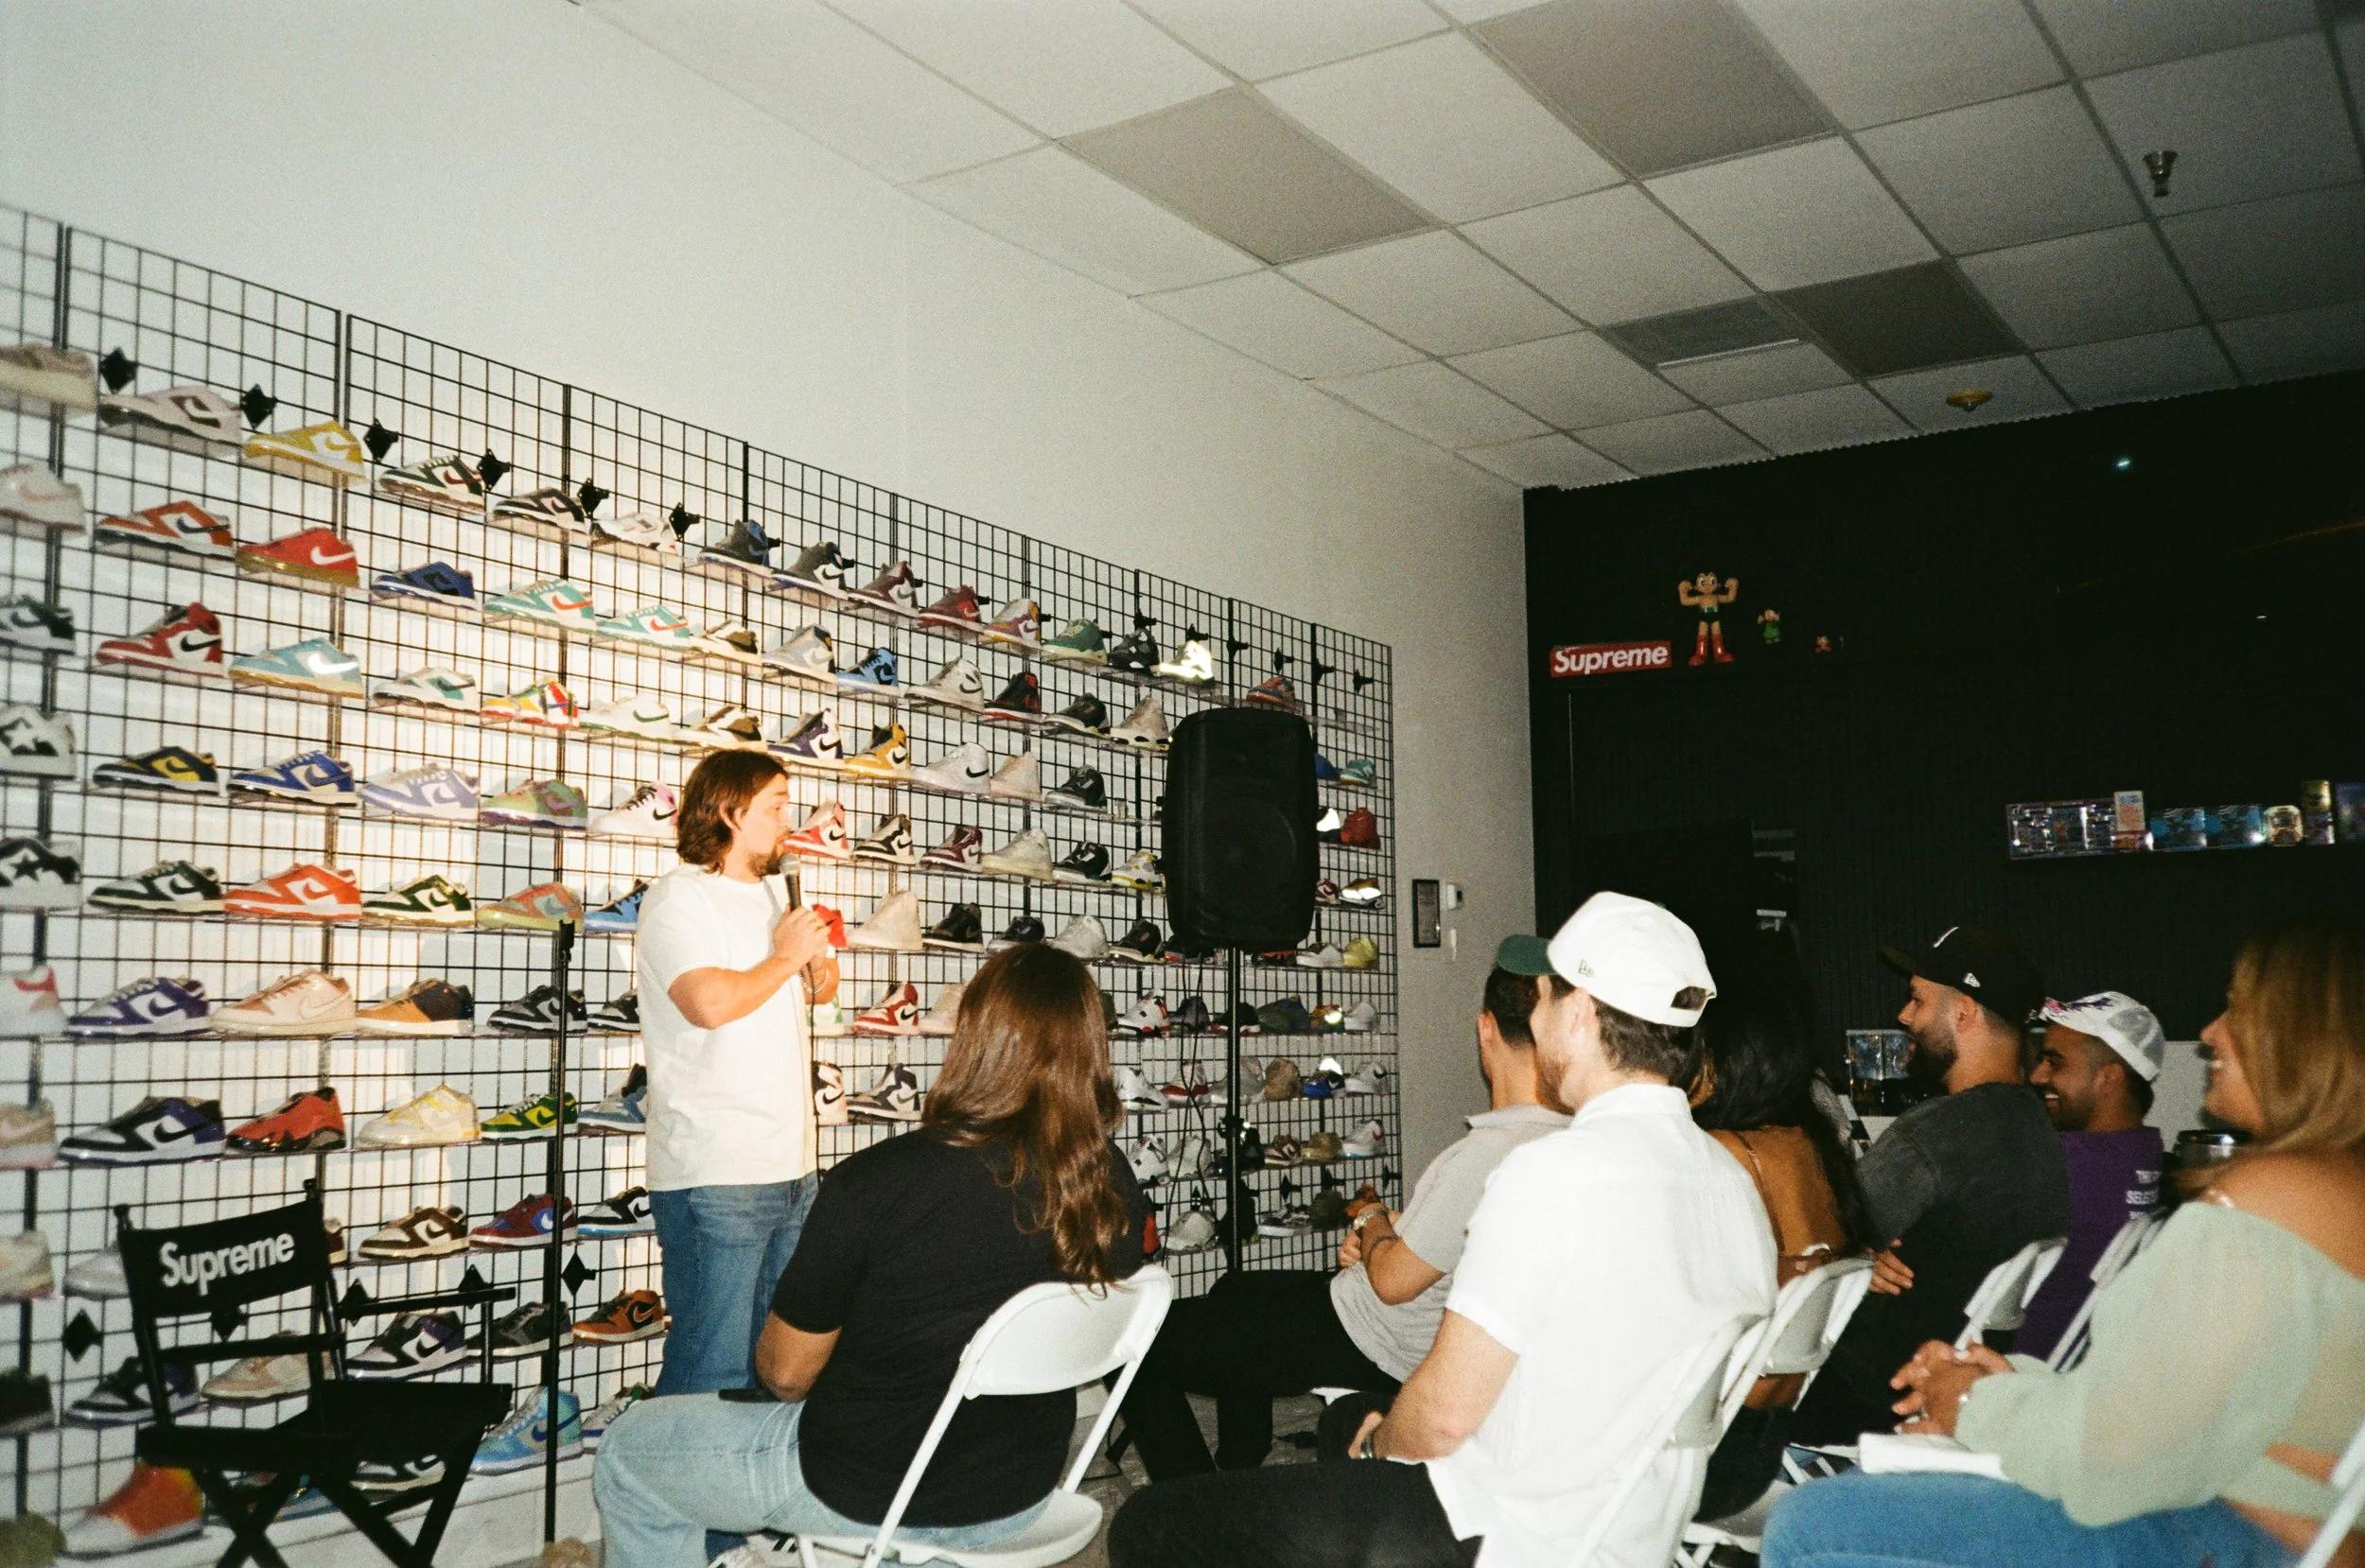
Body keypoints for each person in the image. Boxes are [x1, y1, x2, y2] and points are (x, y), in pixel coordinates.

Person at [1108, 892, 1776, 1568]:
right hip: (1631, 1524)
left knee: (1149, 1525)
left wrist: (1377, 1449)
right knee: (1346, 1418)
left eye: (1542, 1001)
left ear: (1578, 1013)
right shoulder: (1734, 1183)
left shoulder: (1552, 1175)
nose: (1534, 1022)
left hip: (1500, 1529)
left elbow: (1444, 1419)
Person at [1762, 915, 2365, 1568]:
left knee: (1817, 1522)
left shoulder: (2261, 1200)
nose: (2211, 1033)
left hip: (2227, 1530)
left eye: (2237, 1011)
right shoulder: (2334, 1184)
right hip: (2253, 1514)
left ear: (2305, 1040)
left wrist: (1968, 1399)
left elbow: (2116, 1461)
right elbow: (2184, 1405)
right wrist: (2007, 1380)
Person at [595, 945, 1152, 1568]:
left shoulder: (877, 1180)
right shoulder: (1109, 1183)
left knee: (628, 1451)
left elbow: (784, 1375)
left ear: (974, 1037)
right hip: (1020, 1491)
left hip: (867, 1486)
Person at [1116, 956, 1568, 1479]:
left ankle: (1192, 1505)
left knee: (1134, 1339)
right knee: (1236, 1287)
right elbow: (1458, 1244)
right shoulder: (1557, 1139)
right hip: (1373, 1306)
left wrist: (1372, 1218)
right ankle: (1242, 1465)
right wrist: (1389, 1235)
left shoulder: (1485, 1154)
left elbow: (1396, 1283)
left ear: (1485, 1029)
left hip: (1371, 1335)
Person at [1789, 925, 2069, 1445]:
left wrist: (1841, 1256)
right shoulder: (2038, 1129)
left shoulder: (1933, 1136)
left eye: (1917, 1000)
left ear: (1963, 1012)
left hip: (1860, 1398)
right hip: (1952, 1384)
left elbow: (1814, 1244)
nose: (1904, 1016)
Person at [635, 750, 838, 1395]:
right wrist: (786, 958)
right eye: (776, 807)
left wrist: (818, 969)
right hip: (718, 1172)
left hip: (790, 1167)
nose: (789, 822)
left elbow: (816, 988)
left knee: (773, 1372)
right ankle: (672, 1495)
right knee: (709, 1367)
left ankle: (734, 1494)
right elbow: (710, 1003)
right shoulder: (679, 898)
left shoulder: (780, 897)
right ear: (730, 811)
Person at [1686, 962, 1874, 1520]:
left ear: (1723, 1058)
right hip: (1766, 1439)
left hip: (1704, 1457)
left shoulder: (1722, 1154)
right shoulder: (1811, 1144)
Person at [2013, 990, 2168, 1360]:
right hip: (2078, 1358)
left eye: (2054, 1063)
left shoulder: (2066, 1162)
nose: (2037, 1076)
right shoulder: (2143, 1148)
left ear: (2108, 1078)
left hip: (2023, 1363)